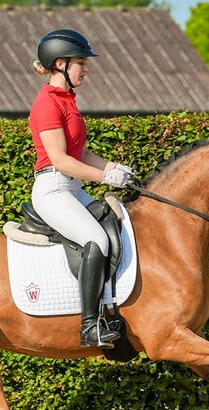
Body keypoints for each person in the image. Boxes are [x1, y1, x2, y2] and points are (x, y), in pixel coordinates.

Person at [29, 28, 135, 349]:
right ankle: (90, 326)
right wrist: (104, 179)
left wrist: (114, 168)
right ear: (61, 64)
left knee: (117, 225)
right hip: (53, 190)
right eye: (80, 63)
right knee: (96, 239)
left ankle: (111, 308)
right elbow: (60, 160)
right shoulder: (47, 103)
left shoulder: (67, 100)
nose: (86, 68)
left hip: (71, 189)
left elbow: (80, 153)